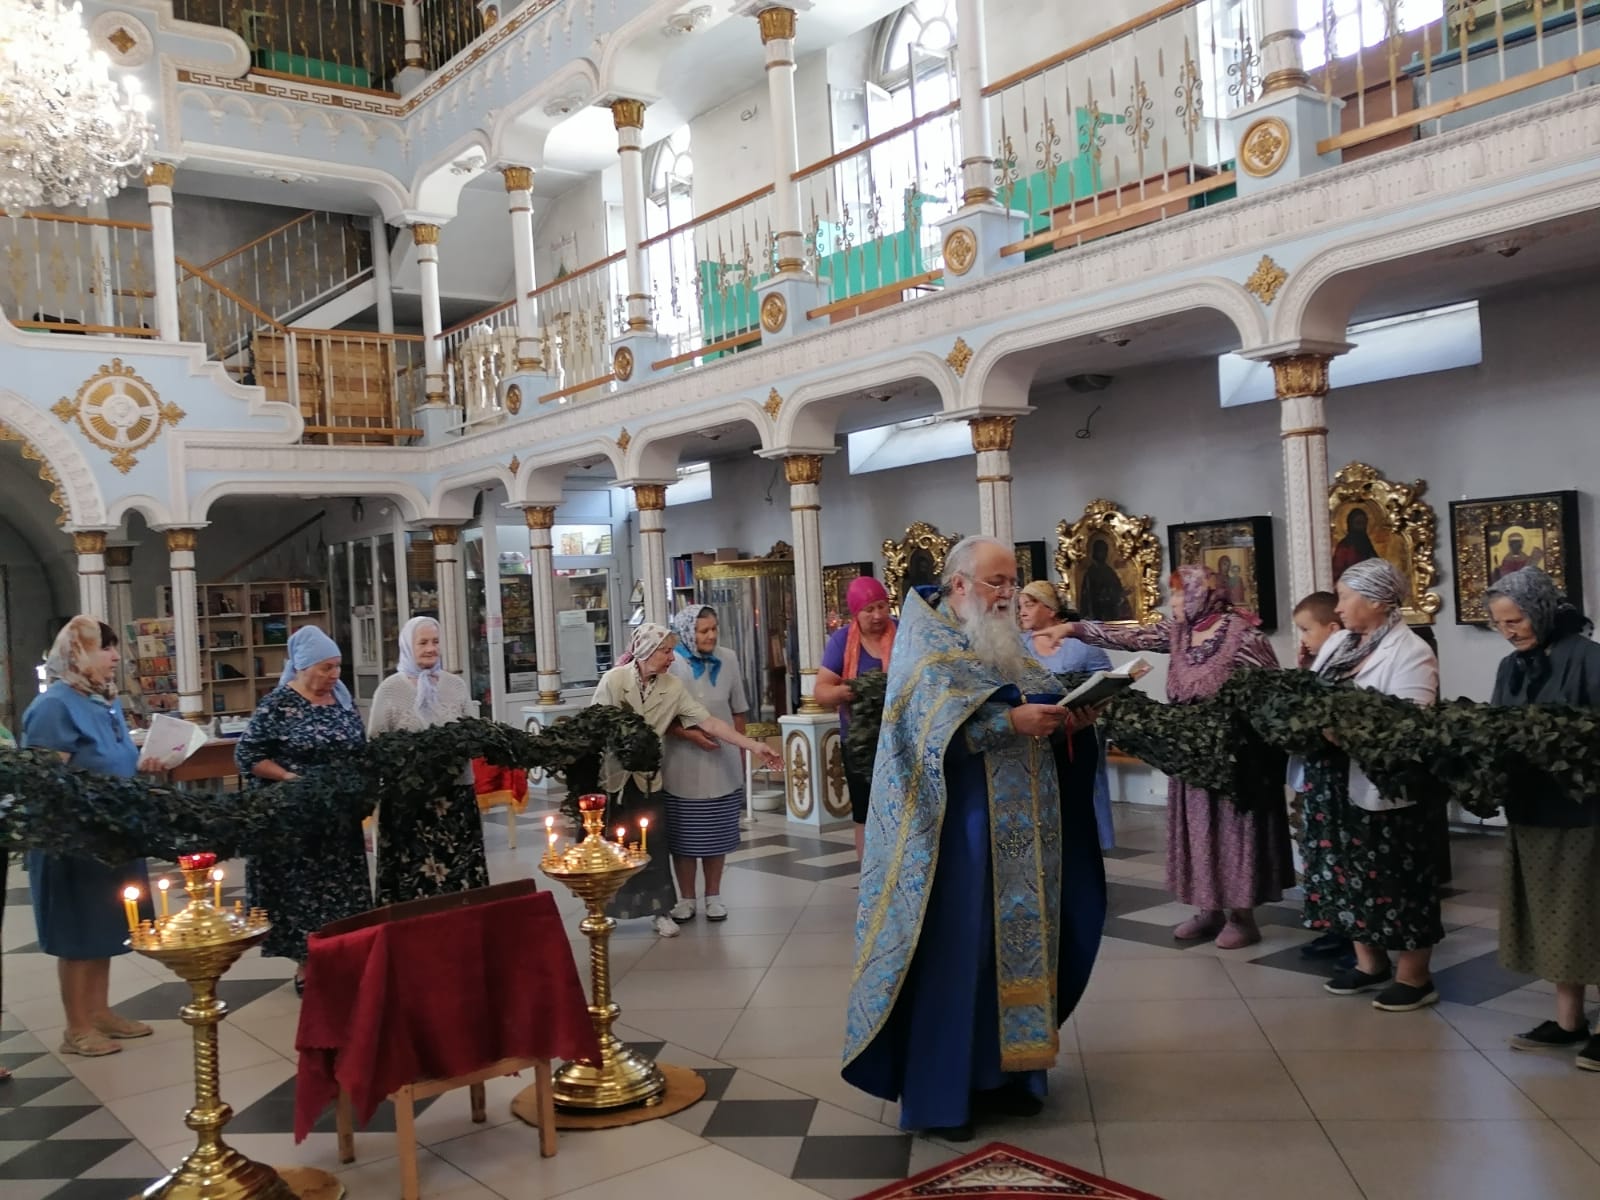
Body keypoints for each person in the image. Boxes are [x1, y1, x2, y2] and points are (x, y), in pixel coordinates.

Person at [843, 537, 1106, 1141]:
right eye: (997, 582)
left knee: (1016, 948)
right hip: (956, 837)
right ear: (959, 584)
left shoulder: (1004, 642)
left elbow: (1037, 701)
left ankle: (1010, 1077)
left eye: (1013, 581)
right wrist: (1006, 722)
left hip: (1025, 831)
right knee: (959, 953)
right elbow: (921, 736)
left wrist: (1069, 718)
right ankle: (944, 1096)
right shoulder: (927, 644)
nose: (1009, 594)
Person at [1047, 566, 1292, 948]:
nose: (1172, 601)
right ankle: (1208, 910)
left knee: (1234, 833)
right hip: (1188, 752)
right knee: (1199, 832)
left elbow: (1272, 693)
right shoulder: (1179, 632)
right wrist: (1073, 629)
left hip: (1233, 758)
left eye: (1178, 594)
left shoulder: (1243, 635)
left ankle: (1242, 917)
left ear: (1202, 595)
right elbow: (1133, 636)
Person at [1305, 559, 1442, 1012]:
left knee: (1396, 878)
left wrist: (1343, 732)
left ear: (1378, 601)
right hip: (1332, 781)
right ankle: (1370, 964)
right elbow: (1312, 696)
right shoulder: (1340, 643)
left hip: (1381, 784)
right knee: (1347, 876)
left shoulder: (1411, 651)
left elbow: (1409, 725)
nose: (1338, 607)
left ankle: (1415, 977)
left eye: (1345, 597)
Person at [21, 617, 160, 1057]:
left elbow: (110, 760)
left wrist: (145, 763)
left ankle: (100, 1012)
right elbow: (45, 781)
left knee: (107, 926)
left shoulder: (104, 700)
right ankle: (76, 1028)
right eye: (105, 647)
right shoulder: (54, 706)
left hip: (113, 834)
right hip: (73, 840)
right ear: (77, 652)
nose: (116, 656)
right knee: (78, 933)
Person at [590, 624, 782, 937]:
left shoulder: (672, 687)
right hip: (613, 779)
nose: (671, 658)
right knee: (610, 845)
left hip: (648, 780)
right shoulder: (615, 680)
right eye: (666, 651)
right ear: (646, 651)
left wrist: (753, 746)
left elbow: (710, 722)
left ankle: (659, 911)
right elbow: (594, 725)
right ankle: (601, 909)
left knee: (652, 846)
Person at [1484, 567, 1600, 1069]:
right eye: (1500, 623)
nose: (1510, 631)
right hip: (1531, 810)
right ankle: (1568, 1021)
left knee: (1592, 915)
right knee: (1556, 918)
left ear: (1542, 610)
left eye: (1517, 620)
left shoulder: (1590, 659)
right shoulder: (1510, 667)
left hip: (1585, 814)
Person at [235, 626, 371, 993]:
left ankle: (344, 959)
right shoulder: (278, 704)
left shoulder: (342, 700)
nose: (334, 675)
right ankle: (306, 966)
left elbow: (360, 750)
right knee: (303, 894)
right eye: (326, 667)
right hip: (295, 820)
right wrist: (289, 778)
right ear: (303, 666)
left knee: (342, 891)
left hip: (338, 821)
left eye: (337, 667)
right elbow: (248, 756)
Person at [367, 616, 488, 905]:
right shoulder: (390, 689)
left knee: (459, 874)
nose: (431, 648)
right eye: (422, 643)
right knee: (414, 878)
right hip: (409, 802)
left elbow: (473, 732)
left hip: (454, 798)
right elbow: (375, 743)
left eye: (435, 641)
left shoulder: (455, 685)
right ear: (408, 646)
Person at [662, 605, 750, 924]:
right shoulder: (671, 662)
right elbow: (661, 715)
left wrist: (740, 749)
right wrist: (688, 735)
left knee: (716, 834)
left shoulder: (729, 659)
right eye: (703, 631)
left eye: (714, 629)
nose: (711, 636)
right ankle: (686, 898)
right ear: (688, 632)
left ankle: (713, 895)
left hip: (721, 758)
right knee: (684, 837)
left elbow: (737, 709)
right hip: (680, 761)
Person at [1017, 580, 1116, 850]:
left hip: (1081, 730)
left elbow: (1107, 683)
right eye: (1020, 606)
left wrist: (1089, 711)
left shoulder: (1081, 643)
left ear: (1050, 609)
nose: (1022, 611)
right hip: (1038, 736)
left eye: (1029, 605)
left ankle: (1090, 842)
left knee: (1081, 796)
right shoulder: (1018, 646)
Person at [1288, 592, 1355, 964]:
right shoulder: (1321, 664)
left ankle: (1352, 935)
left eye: (1306, 630)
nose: (1303, 638)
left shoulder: (1348, 664)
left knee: (1341, 855)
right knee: (1320, 853)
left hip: (1339, 778)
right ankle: (1333, 925)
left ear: (1332, 628)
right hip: (1317, 776)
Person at [815, 577, 898, 861]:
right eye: (868, 609)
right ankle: (870, 875)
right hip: (860, 744)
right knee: (865, 813)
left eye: (882, 606)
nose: (877, 616)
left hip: (900, 738)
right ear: (855, 613)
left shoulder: (903, 633)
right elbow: (821, 691)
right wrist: (851, 691)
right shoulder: (842, 641)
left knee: (902, 807)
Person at [1080, 538, 1132, 622]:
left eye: (1105, 551)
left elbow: (1117, 589)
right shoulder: (1091, 572)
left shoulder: (1109, 571)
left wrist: (1122, 593)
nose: (1103, 554)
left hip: (1111, 611)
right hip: (1097, 612)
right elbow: (1087, 596)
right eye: (1100, 551)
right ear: (1095, 552)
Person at [1332, 507, 1378, 580]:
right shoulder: (1344, 546)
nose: (1361, 526)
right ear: (1351, 524)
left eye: (1363, 523)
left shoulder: (1366, 543)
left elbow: (1376, 564)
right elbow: (1337, 570)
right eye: (1358, 523)